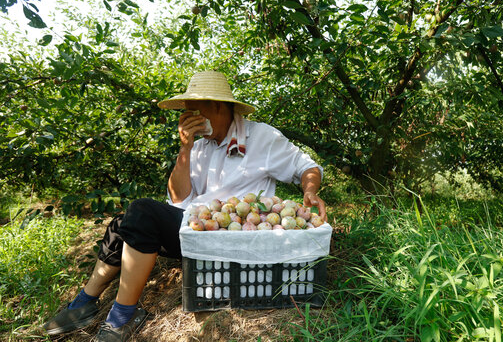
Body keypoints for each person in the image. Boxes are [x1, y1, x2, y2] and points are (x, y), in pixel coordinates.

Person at [44, 71, 327, 342]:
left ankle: (122, 318)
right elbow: (177, 201)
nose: (190, 118)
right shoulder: (200, 147)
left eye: (195, 110)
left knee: (141, 211)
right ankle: (86, 302)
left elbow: (306, 166)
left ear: (217, 107)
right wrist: (185, 148)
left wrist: (311, 190)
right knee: (123, 224)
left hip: (235, 236)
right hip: (200, 232)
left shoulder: (261, 138)